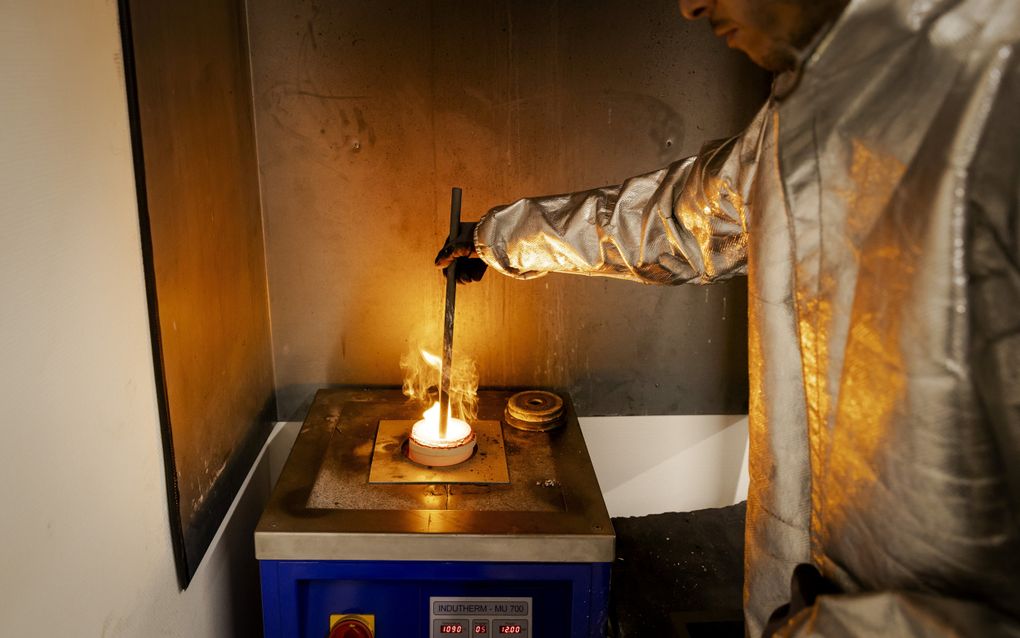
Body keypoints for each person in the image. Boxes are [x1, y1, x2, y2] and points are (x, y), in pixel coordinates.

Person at [436, 0, 1020, 635]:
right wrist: (501, 238)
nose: (690, 6)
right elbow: (671, 220)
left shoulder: (994, 79)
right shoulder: (802, 111)